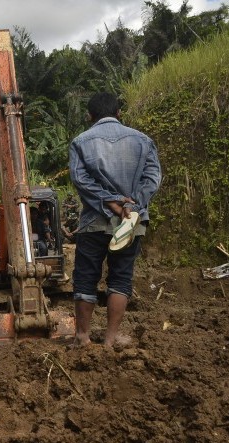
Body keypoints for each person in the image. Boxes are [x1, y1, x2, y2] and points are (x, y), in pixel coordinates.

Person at [69, 92, 162, 347]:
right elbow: (152, 177)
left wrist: (110, 202)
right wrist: (132, 205)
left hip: (94, 222)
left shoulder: (80, 142)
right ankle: (110, 341)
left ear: (90, 116)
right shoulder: (143, 140)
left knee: (86, 277)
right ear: (119, 113)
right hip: (131, 222)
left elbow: (80, 180)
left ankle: (82, 337)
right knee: (121, 278)